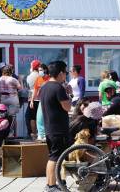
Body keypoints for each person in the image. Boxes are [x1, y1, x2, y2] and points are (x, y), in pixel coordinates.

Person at [40, 61, 71, 192]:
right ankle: (51, 186)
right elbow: (67, 107)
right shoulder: (58, 88)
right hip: (58, 128)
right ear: (60, 73)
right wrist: (69, 94)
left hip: (50, 127)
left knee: (53, 156)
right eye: (65, 72)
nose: (66, 75)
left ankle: (50, 184)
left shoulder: (45, 86)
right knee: (55, 157)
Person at [30, 63, 50, 140]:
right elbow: (35, 90)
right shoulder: (38, 79)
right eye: (38, 70)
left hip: (49, 101)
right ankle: (40, 134)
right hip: (41, 101)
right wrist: (32, 100)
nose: (39, 72)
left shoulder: (50, 78)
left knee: (47, 118)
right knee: (39, 117)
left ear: (45, 70)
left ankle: (46, 135)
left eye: (41, 70)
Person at [25, 59, 41, 139]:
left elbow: (28, 87)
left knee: (31, 117)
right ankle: (39, 134)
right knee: (38, 117)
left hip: (32, 99)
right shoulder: (41, 75)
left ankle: (33, 134)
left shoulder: (30, 76)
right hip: (40, 99)